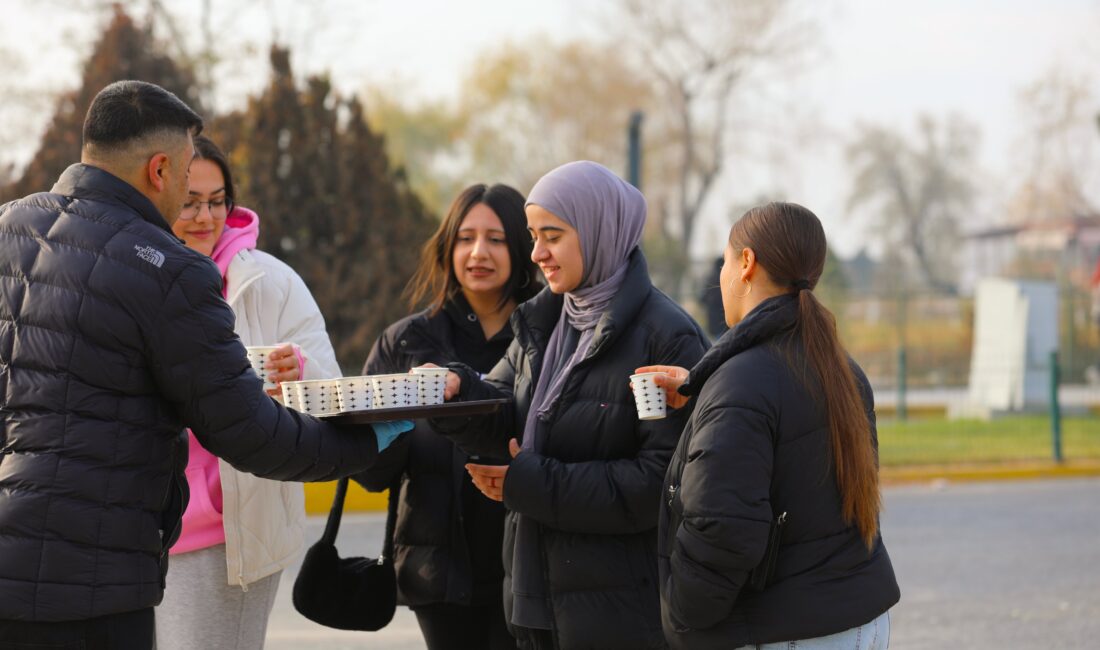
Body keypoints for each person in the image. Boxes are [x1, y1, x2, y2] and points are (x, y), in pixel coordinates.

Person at [0, 80, 409, 649]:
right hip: (94, 581)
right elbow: (250, 435)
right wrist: (373, 440)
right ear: (160, 170)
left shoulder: (8, 227)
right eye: (190, 174)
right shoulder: (168, 269)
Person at [430, 161, 709, 650]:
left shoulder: (667, 337)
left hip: (624, 618)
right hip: (536, 600)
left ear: (599, 231)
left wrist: (529, 483)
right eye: (533, 235)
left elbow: (658, 484)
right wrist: (454, 391)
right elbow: (501, 409)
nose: (536, 253)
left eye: (552, 236)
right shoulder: (546, 320)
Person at [640, 202, 899, 650]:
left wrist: (684, 616)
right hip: (860, 621)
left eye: (724, 261)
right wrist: (703, 391)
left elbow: (722, 529)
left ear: (746, 263)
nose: (719, 277)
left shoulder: (742, 381)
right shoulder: (840, 367)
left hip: (786, 630)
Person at [153, 135, 342, 649]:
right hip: (137, 531)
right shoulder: (134, 274)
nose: (204, 216)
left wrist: (297, 371)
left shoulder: (271, 282)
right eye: (190, 201)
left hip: (227, 534)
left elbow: (335, 389)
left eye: (217, 202)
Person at [352, 183, 539, 650]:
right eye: (465, 237)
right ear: (447, 246)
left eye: (495, 239)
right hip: (436, 572)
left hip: (528, 563)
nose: (479, 252)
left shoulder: (548, 336)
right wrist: (380, 426)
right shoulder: (405, 342)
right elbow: (370, 472)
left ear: (521, 246)